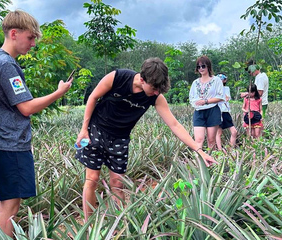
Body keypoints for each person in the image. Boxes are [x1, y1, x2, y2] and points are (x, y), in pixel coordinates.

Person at [75, 58, 217, 220]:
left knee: (118, 184)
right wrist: (83, 129)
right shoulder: (117, 78)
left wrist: (199, 150)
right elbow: (93, 97)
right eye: (154, 88)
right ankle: (89, 225)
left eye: (160, 89)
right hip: (97, 129)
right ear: (142, 79)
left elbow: (174, 124)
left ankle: (120, 226)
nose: (156, 92)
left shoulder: (155, 97)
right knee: (92, 180)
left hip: (120, 138)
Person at [0, 10, 72, 238]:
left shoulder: (0, 61)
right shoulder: (6, 66)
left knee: (10, 203)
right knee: (10, 206)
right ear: (14, 33)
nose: (33, 44)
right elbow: (26, 107)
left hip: (5, 142)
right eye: (31, 37)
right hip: (9, 143)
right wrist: (59, 92)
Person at [189, 55, 225, 150]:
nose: (201, 68)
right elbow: (191, 98)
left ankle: (211, 162)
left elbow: (221, 96)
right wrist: (197, 103)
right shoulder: (195, 83)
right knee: (198, 140)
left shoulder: (216, 80)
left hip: (212, 111)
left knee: (211, 140)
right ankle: (198, 162)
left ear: (208, 66)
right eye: (198, 66)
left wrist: (205, 101)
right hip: (199, 112)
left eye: (203, 66)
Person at [215, 73, 237, 149]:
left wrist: (221, 98)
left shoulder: (226, 88)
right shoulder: (214, 89)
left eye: (222, 79)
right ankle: (220, 150)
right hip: (218, 111)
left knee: (234, 131)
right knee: (219, 133)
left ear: (225, 80)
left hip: (225, 111)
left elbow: (227, 98)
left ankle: (230, 149)